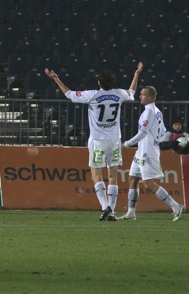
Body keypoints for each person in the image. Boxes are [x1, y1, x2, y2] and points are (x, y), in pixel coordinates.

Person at [45, 62, 141, 221]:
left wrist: (56, 79)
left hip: (98, 140)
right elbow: (132, 92)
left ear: (99, 82)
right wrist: (136, 74)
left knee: (96, 174)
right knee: (113, 175)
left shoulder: (93, 95)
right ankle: (113, 211)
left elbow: (69, 94)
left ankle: (105, 206)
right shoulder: (119, 94)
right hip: (115, 140)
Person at [118, 86, 184, 221]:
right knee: (133, 179)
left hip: (147, 153)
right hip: (141, 152)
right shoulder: (157, 111)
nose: (140, 96)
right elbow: (163, 131)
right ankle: (131, 212)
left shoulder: (149, 112)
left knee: (149, 185)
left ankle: (176, 206)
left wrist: (127, 143)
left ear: (151, 97)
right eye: (140, 94)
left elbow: (143, 132)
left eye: (143, 95)